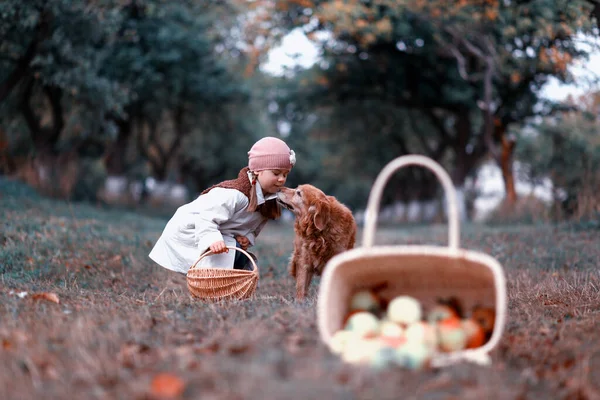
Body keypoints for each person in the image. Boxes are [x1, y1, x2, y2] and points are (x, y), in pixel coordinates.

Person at [149, 137, 296, 274]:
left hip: (220, 233)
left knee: (238, 254)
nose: (282, 179)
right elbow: (205, 216)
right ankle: (212, 283)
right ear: (257, 171)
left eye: (285, 174)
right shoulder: (234, 194)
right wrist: (212, 239)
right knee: (228, 252)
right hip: (191, 229)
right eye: (276, 173)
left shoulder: (267, 201)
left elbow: (252, 228)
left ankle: (224, 284)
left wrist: (247, 237)